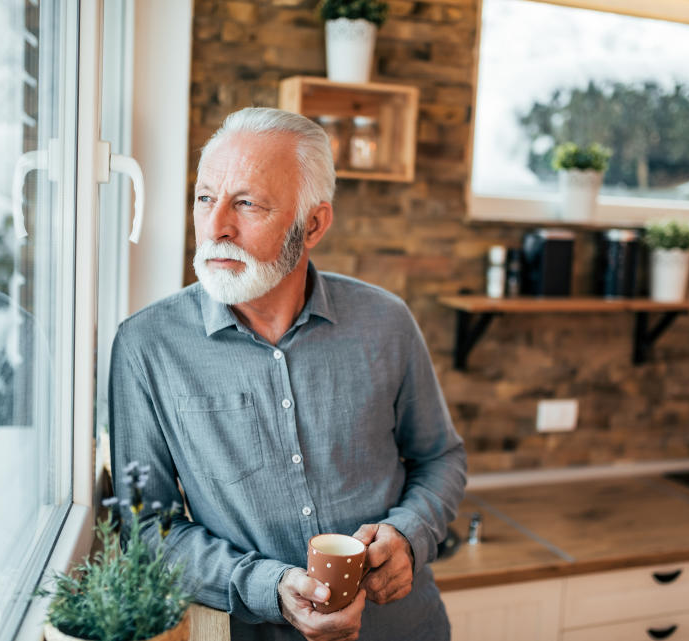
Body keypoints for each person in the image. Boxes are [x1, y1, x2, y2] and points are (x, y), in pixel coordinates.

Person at [109, 107, 466, 641]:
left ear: (314, 224)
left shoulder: (386, 321)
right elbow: (145, 530)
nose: (215, 228)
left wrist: (410, 534)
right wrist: (267, 586)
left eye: (247, 203)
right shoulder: (145, 345)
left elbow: (440, 457)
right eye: (205, 198)